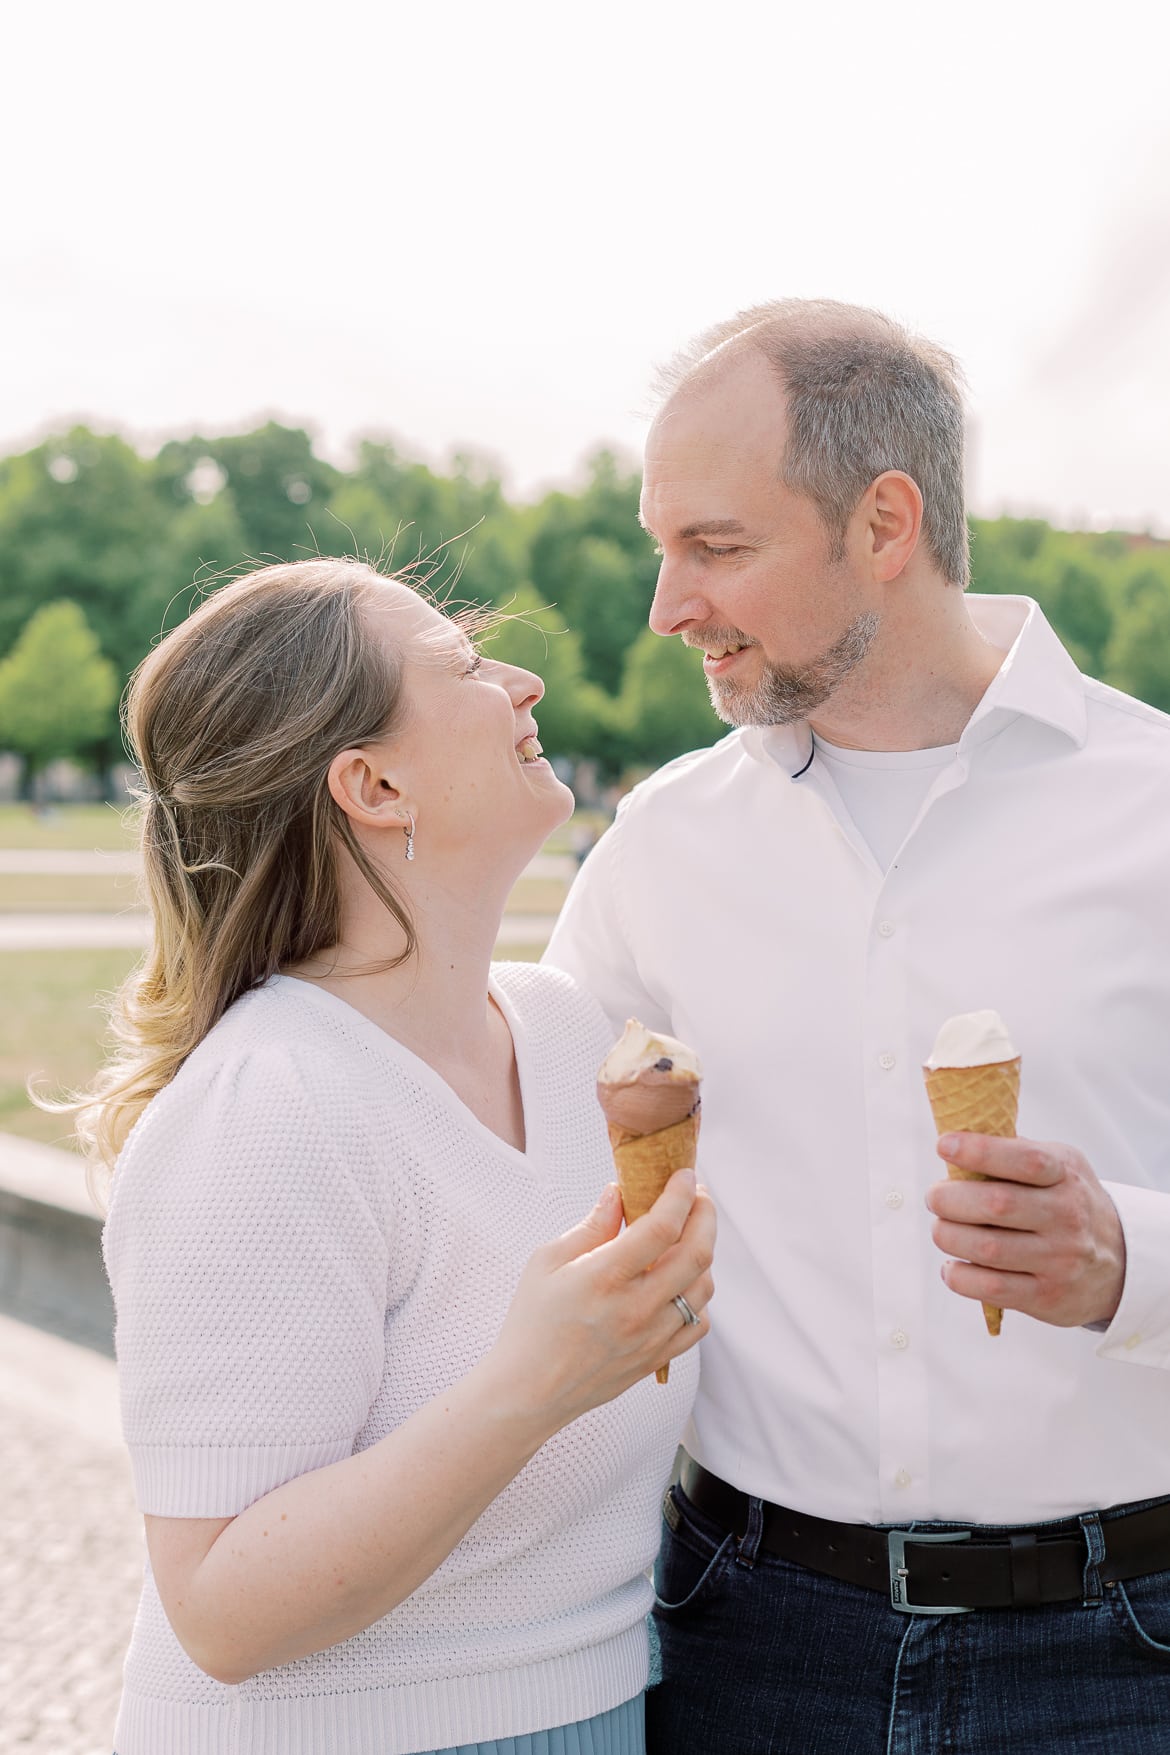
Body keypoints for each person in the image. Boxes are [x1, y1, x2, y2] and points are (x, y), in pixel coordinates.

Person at [544, 299, 1170, 1754]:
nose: (666, 603)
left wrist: (1125, 1260)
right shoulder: (660, 846)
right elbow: (511, 1165)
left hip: (1124, 1652)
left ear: (882, 521)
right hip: (746, 1638)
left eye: (717, 546)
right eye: (662, 546)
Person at [78, 558, 715, 1755]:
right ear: (372, 784)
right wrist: (537, 1381)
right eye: (467, 664)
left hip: (606, 1714)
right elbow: (220, 1610)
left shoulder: (576, 1038)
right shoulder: (266, 1109)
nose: (523, 681)